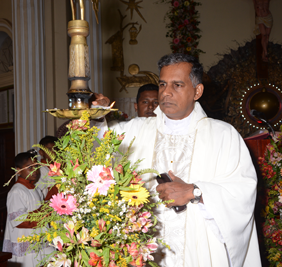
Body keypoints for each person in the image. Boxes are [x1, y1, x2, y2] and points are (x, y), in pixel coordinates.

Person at [92, 53, 261, 266]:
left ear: (197, 91)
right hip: (144, 251)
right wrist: (97, 116)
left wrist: (195, 192)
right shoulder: (136, 129)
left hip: (198, 252)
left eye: (177, 85)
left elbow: (242, 193)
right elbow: (99, 149)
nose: (166, 92)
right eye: (163, 84)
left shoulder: (223, 136)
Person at [2, 152, 54, 267]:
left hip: (38, 238)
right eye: (30, 167)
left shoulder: (35, 188)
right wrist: (43, 214)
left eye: (36, 166)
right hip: (24, 239)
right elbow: (19, 220)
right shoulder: (17, 191)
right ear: (18, 170)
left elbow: (40, 207)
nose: (35, 170)